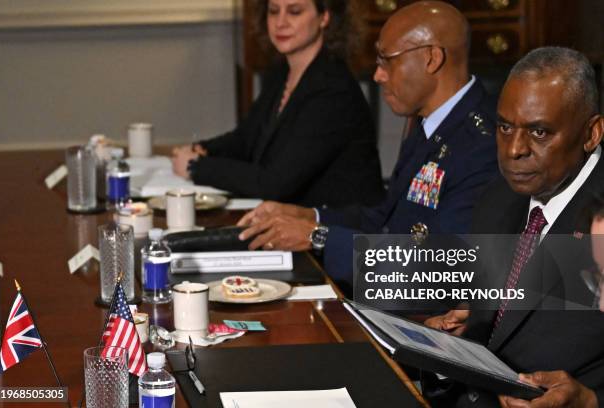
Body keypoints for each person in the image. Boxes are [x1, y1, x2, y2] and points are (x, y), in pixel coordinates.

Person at [237, 0, 499, 293]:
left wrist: (318, 237)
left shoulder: (482, 145)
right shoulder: (431, 122)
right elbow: (384, 220)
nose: (378, 75)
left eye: (387, 60)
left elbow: (441, 271)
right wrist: (306, 216)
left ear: (431, 58)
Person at [424, 47, 604, 408]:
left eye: (539, 132)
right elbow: (489, 331)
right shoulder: (497, 199)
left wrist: (590, 402)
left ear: (591, 133)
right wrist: (447, 349)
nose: (514, 149)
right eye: (505, 127)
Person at [171, 0, 384, 208]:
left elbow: (273, 183)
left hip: (344, 234)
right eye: (273, 11)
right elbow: (246, 139)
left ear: (324, 17)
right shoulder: (284, 70)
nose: (280, 22)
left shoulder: (332, 90)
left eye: (295, 11)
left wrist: (196, 166)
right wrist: (203, 149)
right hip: (297, 223)